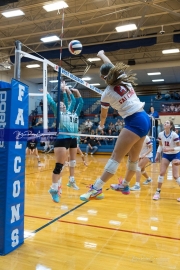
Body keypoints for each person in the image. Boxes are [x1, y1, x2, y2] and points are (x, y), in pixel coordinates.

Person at [80, 50, 150, 201]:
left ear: (102, 78)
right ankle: (125, 184)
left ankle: (96, 189)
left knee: (115, 158)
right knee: (133, 159)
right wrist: (101, 55)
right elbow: (111, 66)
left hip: (134, 121)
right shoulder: (123, 78)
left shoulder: (106, 93)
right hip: (144, 117)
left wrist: (101, 125)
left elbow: (104, 115)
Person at [40, 83, 84, 203]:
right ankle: (53, 189)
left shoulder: (72, 113)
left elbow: (76, 102)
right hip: (62, 138)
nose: (61, 105)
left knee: (70, 162)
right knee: (59, 166)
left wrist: (68, 90)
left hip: (72, 138)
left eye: (63, 104)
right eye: (60, 105)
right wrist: (47, 93)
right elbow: (52, 103)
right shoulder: (58, 114)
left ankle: (68, 181)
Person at [153, 120, 180, 200]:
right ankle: (157, 192)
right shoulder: (161, 134)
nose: (165, 123)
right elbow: (161, 146)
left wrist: (170, 149)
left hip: (175, 154)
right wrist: (157, 154)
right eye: (165, 122)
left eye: (167, 123)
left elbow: (179, 147)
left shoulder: (174, 135)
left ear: (170, 126)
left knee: (175, 176)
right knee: (161, 173)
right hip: (166, 155)